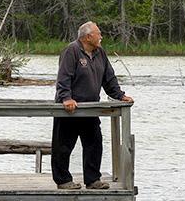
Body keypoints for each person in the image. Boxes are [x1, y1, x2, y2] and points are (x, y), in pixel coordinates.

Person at [52, 21, 133, 190]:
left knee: (94, 143)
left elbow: (109, 78)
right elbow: (63, 77)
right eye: (98, 33)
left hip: (90, 109)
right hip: (70, 110)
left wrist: (119, 95)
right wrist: (66, 98)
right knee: (63, 145)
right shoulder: (72, 51)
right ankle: (63, 180)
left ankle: (93, 179)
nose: (101, 36)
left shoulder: (100, 53)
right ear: (88, 37)